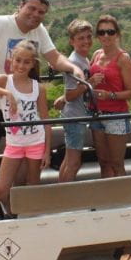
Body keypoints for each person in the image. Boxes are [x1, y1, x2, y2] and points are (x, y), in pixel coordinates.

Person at [0, 0, 83, 219]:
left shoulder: (39, 31)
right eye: (32, 8)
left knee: (20, 149)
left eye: (41, 12)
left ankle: (16, 202)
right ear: (21, 6)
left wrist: (73, 68)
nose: (35, 14)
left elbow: (54, 57)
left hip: (22, 106)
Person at [0, 41, 50, 216]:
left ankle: (29, 218)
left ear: (33, 64)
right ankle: (13, 215)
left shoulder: (39, 88)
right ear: (11, 60)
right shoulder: (4, 81)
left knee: (32, 186)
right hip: (14, 143)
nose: (21, 65)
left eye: (27, 62)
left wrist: (46, 150)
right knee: (0, 192)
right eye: (18, 60)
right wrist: (7, 94)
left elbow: (45, 120)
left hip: (35, 142)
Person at [88, 15, 131, 177]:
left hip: (116, 115)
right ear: (97, 36)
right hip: (96, 113)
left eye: (110, 31)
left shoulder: (123, 59)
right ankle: (108, 199)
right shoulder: (96, 55)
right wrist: (91, 82)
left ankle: (124, 200)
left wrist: (110, 95)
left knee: (116, 163)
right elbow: (88, 84)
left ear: (117, 34)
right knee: (103, 162)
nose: (106, 36)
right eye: (102, 32)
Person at [52, 19, 94, 182]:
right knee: (74, 162)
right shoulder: (74, 62)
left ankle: (61, 194)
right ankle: (64, 198)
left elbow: (67, 94)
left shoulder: (83, 59)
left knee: (69, 160)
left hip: (77, 115)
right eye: (81, 38)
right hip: (75, 117)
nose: (86, 41)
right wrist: (90, 84)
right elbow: (70, 95)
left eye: (88, 37)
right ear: (72, 41)